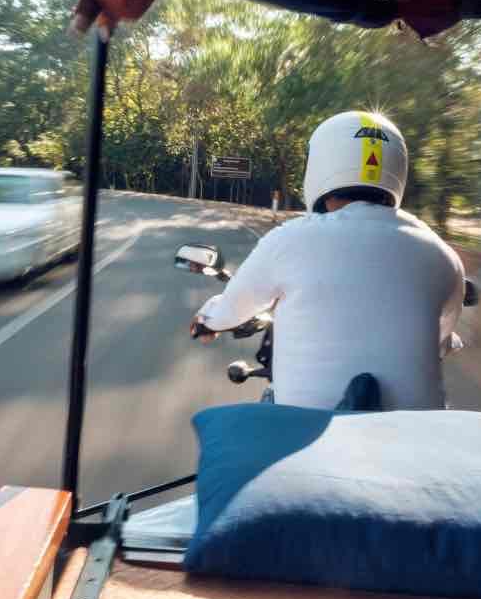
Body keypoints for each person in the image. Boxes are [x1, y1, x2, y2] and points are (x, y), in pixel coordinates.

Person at [190, 110, 465, 410]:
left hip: (303, 432)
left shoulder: (290, 239)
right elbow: (441, 339)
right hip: (414, 441)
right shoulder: (444, 256)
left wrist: (209, 321)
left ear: (318, 164)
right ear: (399, 169)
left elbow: (234, 307)